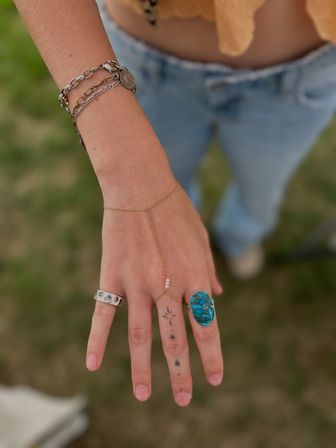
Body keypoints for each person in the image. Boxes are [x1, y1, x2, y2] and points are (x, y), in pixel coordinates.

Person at [12, 0, 336, 407]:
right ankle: (190, 225)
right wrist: (124, 167)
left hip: (304, 70)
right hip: (144, 64)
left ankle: (241, 235)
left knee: (262, 187)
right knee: (170, 188)